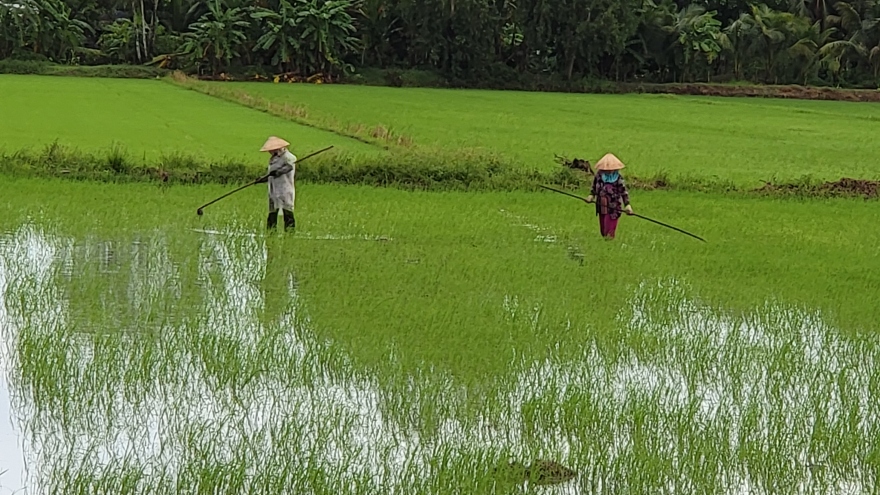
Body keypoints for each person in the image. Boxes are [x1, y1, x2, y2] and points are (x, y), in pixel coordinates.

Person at [585, 153, 634, 239]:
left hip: (613, 208)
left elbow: (624, 192)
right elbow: (594, 188)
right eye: (607, 169)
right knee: (603, 231)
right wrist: (591, 196)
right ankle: (605, 242)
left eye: (611, 169)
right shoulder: (599, 176)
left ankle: (609, 243)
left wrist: (627, 205)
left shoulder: (618, 178)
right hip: (601, 206)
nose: (609, 171)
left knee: (609, 231)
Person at [257, 136, 298, 231]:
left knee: (287, 210)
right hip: (273, 188)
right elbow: (271, 174)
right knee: (272, 211)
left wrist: (278, 172)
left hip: (285, 189)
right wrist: (262, 179)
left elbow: (289, 167)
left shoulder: (288, 157)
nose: (270, 152)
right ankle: (271, 231)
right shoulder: (273, 159)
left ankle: (290, 232)